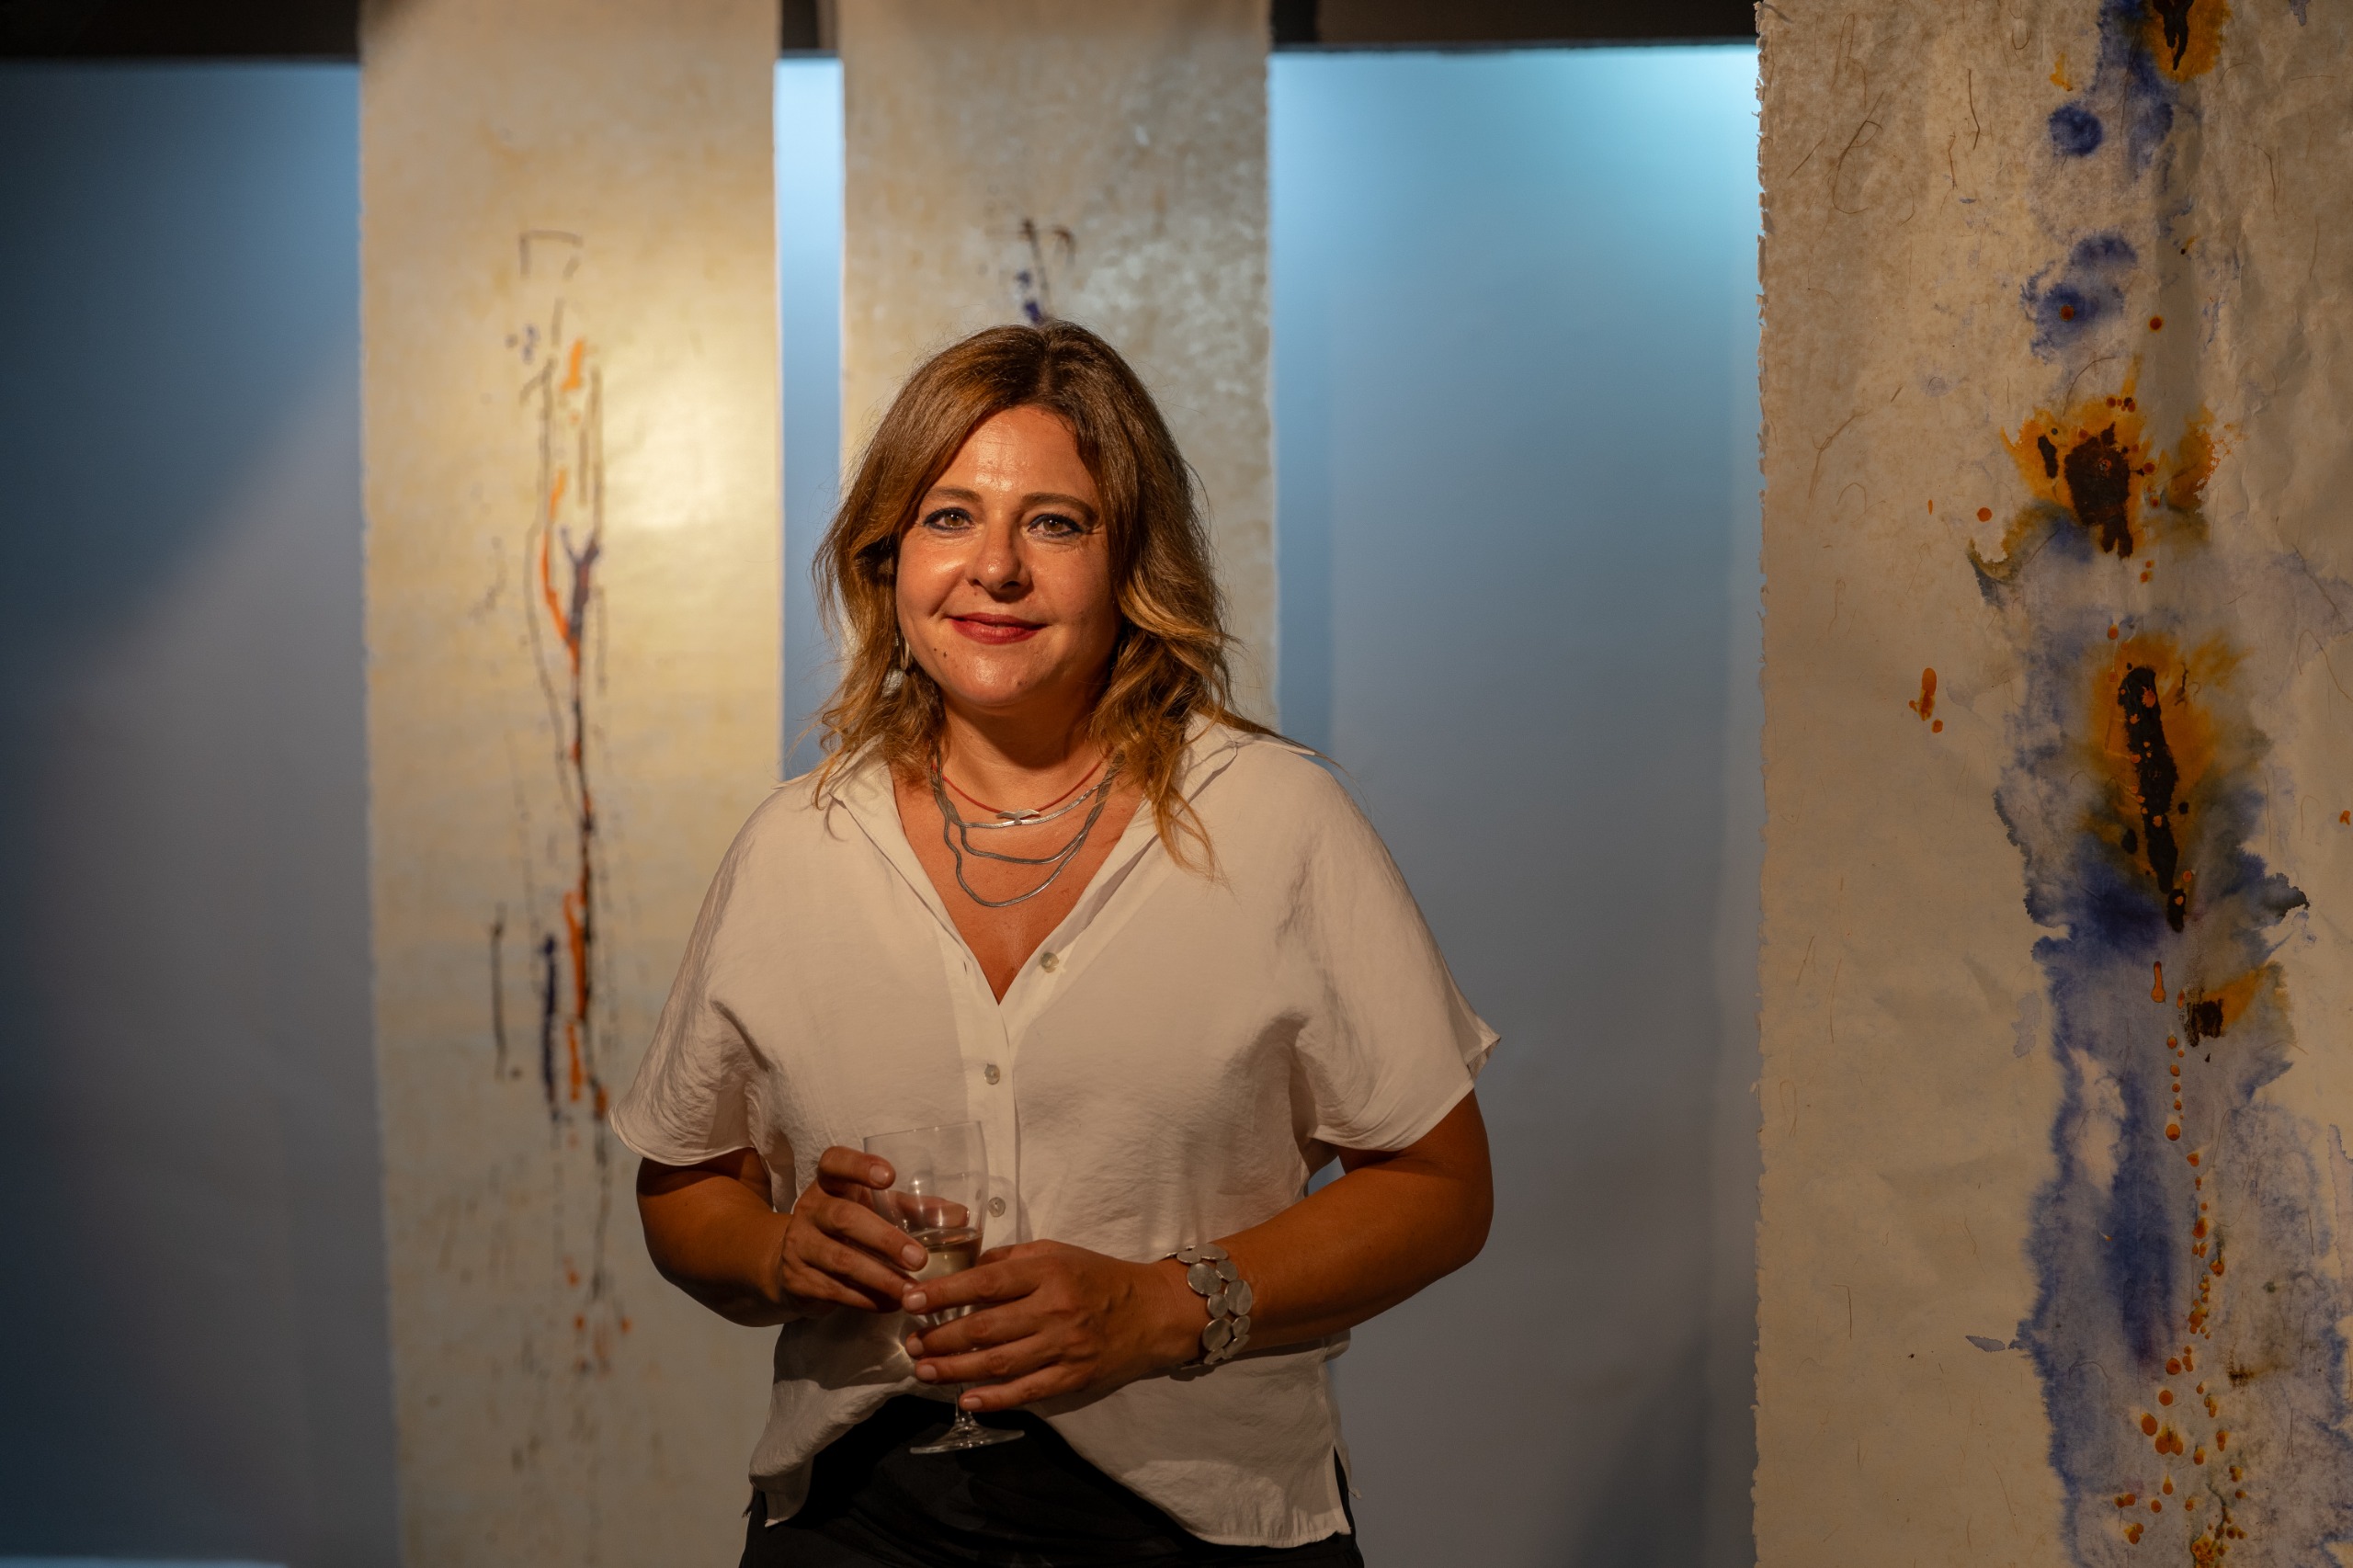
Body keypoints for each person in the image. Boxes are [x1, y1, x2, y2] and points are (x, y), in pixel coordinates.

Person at [613, 321, 1496, 1567]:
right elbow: (683, 1186)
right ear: (887, 558)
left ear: (1131, 561)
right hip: (858, 1523)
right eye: (950, 516)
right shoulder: (792, 848)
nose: (996, 569)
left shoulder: (1277, 823)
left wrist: (1160, 1304)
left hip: (1200, 1522)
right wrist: (775, 1248)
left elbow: (1443, 1190)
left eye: (1055, 523)